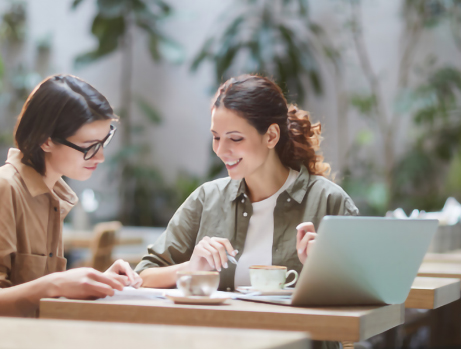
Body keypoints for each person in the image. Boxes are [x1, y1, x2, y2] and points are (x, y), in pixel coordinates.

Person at [135, 74, 358, 290]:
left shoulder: (329, 202)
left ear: (271, 136)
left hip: (299, 330)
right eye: (216, 137)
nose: (221, 150)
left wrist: (324, 271)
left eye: (235, 138)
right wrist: (190, 268)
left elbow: (367, 294)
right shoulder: (207, 200)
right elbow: (143, 275)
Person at [0, 74, 141, 317]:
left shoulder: (53, 194)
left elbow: (39, 294)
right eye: (90, 146)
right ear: (46, 141)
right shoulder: (3, 188)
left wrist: (97, 280)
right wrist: (56, 284)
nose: (100, 157)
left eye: (104, 142)